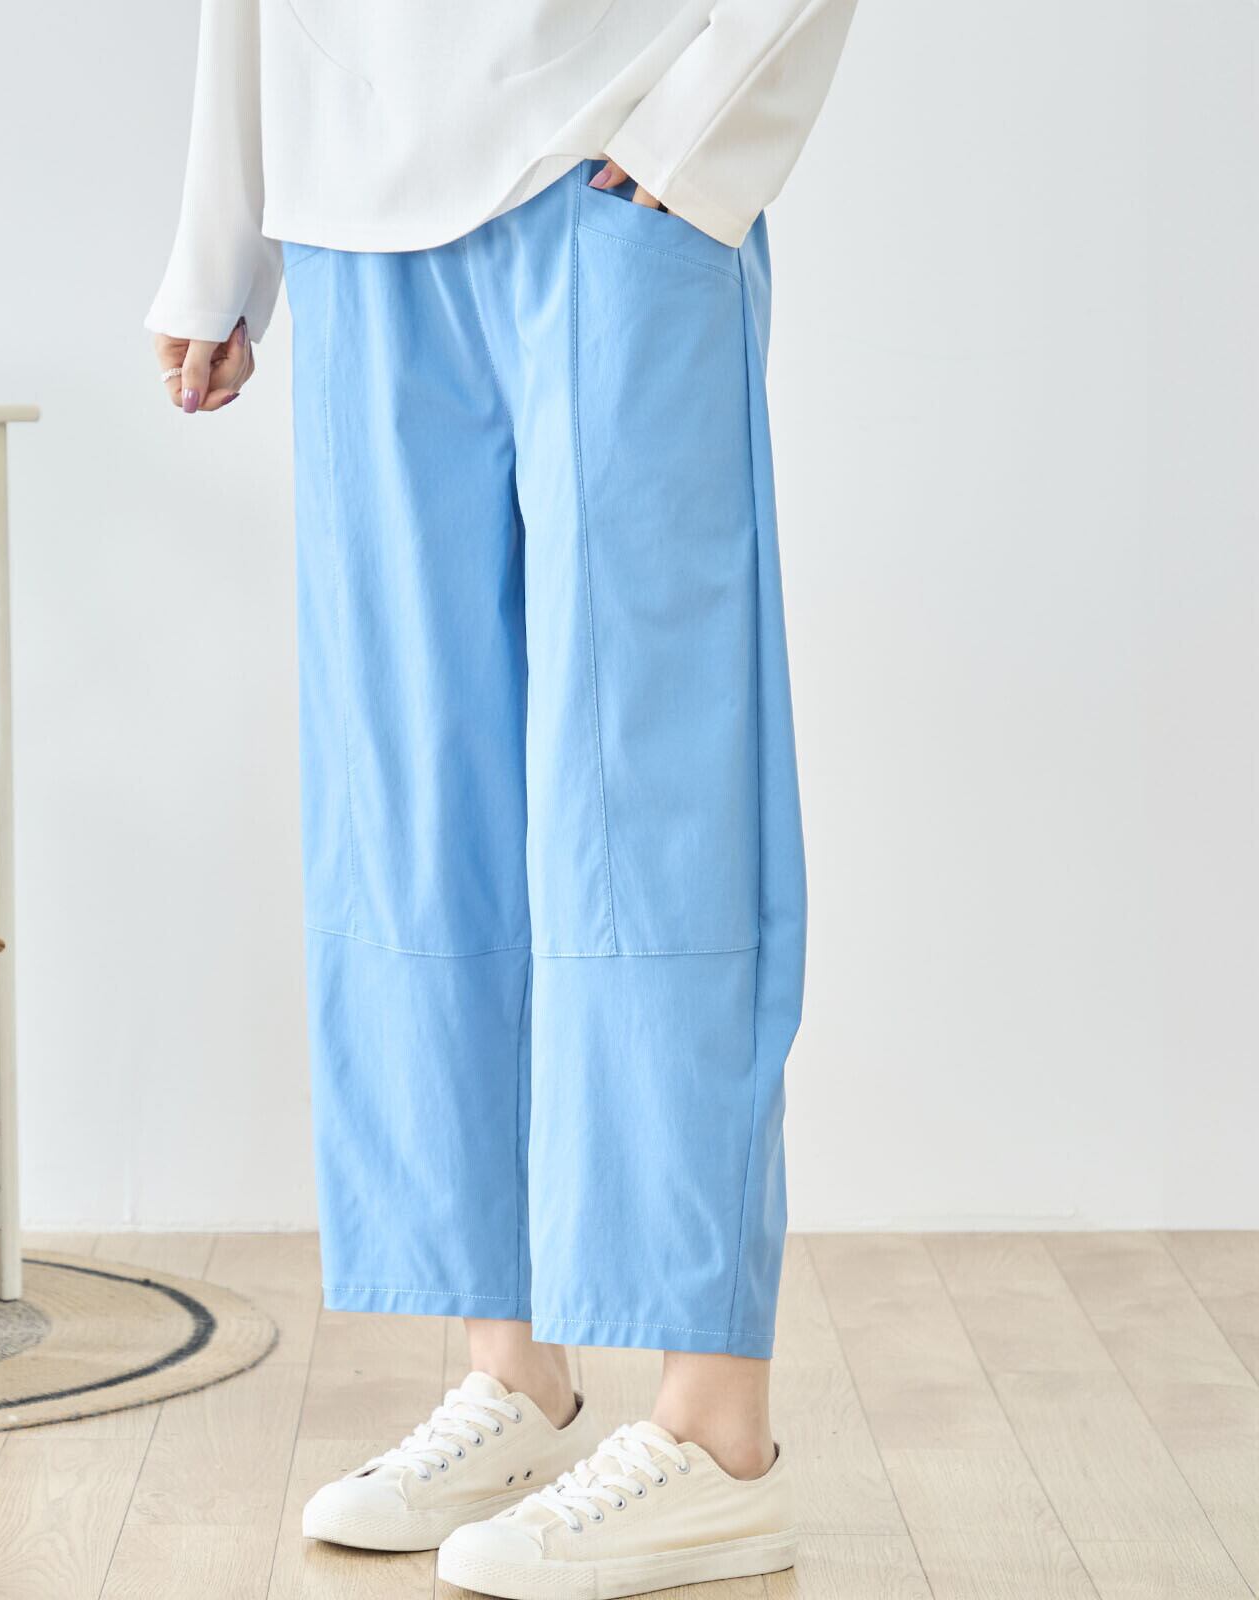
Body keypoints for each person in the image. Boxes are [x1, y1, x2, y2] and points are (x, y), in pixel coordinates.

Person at [148, 2, 856, 1593]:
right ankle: (513, 1375)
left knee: (654, 804)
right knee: (414, 816)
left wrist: (698, 132)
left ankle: (716, 1435)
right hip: (349, 211)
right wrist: (222, 242)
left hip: (610, 165)